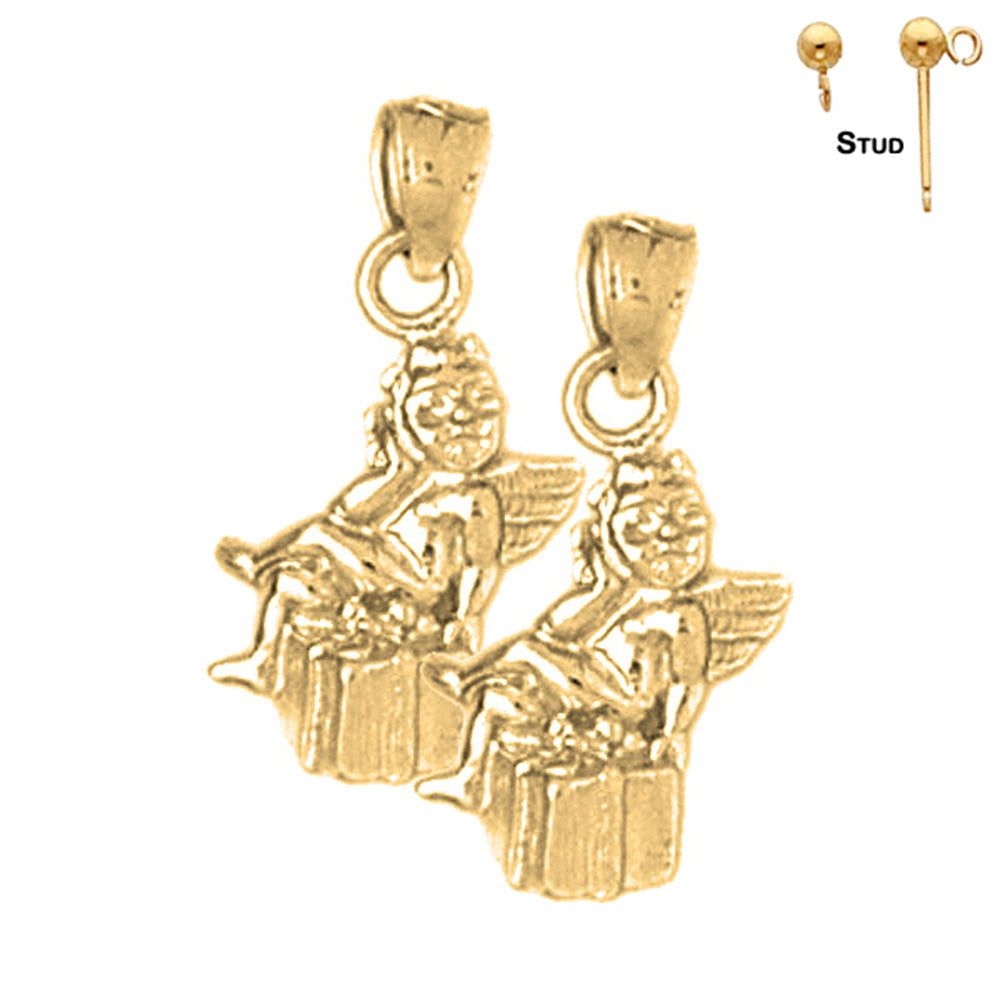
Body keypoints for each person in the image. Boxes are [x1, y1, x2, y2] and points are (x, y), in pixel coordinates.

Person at [417, 447, 716, 809]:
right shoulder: (616, 594)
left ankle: (467, 679)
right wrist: (608, 576)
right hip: (599, 699)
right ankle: (471, 780)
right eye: (642, 525)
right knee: (496, 704)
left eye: (688, 521)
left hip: (629, 716)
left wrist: (670, 733)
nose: (668, 534)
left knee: (526, 651)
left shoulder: (681, 614)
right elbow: (555, 632)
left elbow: (687, 683)